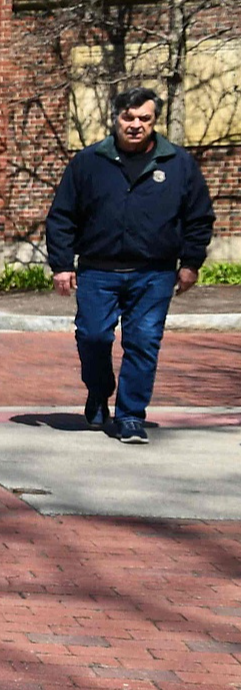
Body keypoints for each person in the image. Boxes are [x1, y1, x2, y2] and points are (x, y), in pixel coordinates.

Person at [45, 87, 214, 444]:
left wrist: (191, 262)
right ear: (116, 118)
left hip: (154, 273)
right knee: (92, 336)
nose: (136, 125)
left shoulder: (178, 163)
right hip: (98, 271)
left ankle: (131, 416)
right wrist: (61, 264)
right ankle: (98, 391)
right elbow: (62, 216)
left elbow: (198, 217)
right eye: (129, 117)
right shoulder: (89, 162)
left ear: (154, 122)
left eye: (144, 119)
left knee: (143, 342)